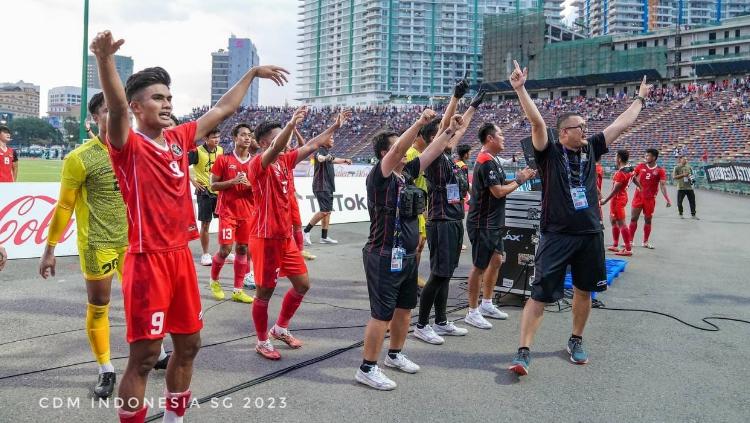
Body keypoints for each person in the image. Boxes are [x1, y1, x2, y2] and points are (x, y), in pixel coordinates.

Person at [91, 30, 288, 423]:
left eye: (168, 97)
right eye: (157, 98)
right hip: (147, 262)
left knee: (190, 345)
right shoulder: (127, 144)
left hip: (181, 259)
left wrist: (251, 73)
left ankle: (174, 417)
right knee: (145, 357)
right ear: (136, 107)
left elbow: (222, 109)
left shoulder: (179, 138)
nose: (166, 104)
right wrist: (104, 59)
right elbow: (114, 105)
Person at [507, 60, 652, 376]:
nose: (586, 130)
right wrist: (520, 89)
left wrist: (640, 98)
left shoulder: (592, 148)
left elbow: (621, 124)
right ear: (563, 133)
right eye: (580, 127)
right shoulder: (549, 152)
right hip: (556, 234)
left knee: (585, 290)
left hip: (589, 233)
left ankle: (575, 340)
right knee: (540, 294)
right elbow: (536, 124)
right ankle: (523, 350)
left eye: (587, 126)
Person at [39, 93, 169, 400]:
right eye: (108, 111)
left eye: (119, 111)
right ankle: (105, 369)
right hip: (97, 244)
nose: (115, 117)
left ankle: (160, 352)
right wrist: (50, 248)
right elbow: (63, 207)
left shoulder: (137, 149)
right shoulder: (80, 157)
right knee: (100, 306)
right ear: (95, 118)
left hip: (135, 242)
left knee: (146, 301)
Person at [356, 111, 468, 391]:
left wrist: (449, 132)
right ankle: (367, 368)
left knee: (405, 308)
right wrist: (418, 123)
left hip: (405, 256)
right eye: (399, 148)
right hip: (382, 254)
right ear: (385, 152)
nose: (406, 153)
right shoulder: (379, 176)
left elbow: (430, 153)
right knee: (381, 314)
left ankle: (394, 355)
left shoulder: (406, 175)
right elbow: (398, 149)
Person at [248, 108, 351, 361]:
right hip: (265, 238)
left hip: (284, 238)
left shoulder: (286, 160)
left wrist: (334, 126)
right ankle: (262, 341)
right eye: (280, 136)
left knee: (302, 285)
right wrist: (292, 123)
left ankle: (280, 328)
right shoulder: (258, 163)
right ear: (263, 143)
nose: (287, 140)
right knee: (264, 293)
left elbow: (315, 144)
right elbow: (275, 149)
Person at [414, 86, 489, 344]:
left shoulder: (447, 154)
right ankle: (422, 325)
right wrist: (455, 99)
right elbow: (448, 124)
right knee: (438, 273)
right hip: (441, 221)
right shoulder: (433, 155)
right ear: (434, 137)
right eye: (443, 131)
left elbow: (461, 127)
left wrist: (473, 106)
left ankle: (442, 320)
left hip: (455, 219)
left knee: (446, 273)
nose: (451, 131)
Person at [463, 122, 536, 330]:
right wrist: (520, 180)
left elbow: (501, 187)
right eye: (500, 135)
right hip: (482, 223)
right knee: (479, 266)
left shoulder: (492, 159)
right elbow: (498, 192)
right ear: (490, 139)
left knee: (496, 260)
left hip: (493, 222)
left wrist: (517, 179)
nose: (504, 138)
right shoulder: (486, 161)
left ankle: (486, 303)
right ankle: (472, 311)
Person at [207, 123, 257, 304]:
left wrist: (251, 185)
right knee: (226, 249)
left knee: (243, 248)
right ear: (235, 138)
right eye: (243, 135)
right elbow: (213, 185)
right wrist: (233, 181)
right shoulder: (224, 160)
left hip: (248, 213)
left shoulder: (255, 162)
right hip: (228, 212)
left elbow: (259, 188)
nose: (247, 138)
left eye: (249, 135)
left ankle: (238, 290)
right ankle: (214, 281)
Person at [302, 132, 352, 245]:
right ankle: (305, 231)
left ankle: (324, 237)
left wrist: (345, 160)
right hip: (321, 186)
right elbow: (319, 158)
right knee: (324, 211)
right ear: (324, 140)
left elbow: (334, 159)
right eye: (331, 138)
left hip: (328, 186)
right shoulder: (320, 150)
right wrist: (324, 158)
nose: (333, 140)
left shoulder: (327, 152)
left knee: (327, 212)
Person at [405, 119, 437, 289]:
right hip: (413, 208)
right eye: (426, 136)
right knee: (414, 244)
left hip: (421, 206)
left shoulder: (421, 155)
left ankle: (413, 278)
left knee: (420, 243)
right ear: (418, 137)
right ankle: (409, 280)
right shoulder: (410, 154)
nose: (429, 139)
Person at [188, 128, 224, 266]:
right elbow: (182, 165)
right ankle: (205, 253)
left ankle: (224, 250)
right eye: (214, 137)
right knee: (205, 224)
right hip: (204, 192)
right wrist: (193, 180)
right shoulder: (197, 152)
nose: (217, 140)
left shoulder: (220, 150)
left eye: (218, 137)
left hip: (219, 191)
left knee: (224, 222)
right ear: (205, 139)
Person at [629, 148, 672, 249]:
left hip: (650, 199)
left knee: (648, 220)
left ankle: (645, 242)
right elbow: (631, 177)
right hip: (638, 197)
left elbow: (662, 185)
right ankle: (630, 241)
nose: (646, 157)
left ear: (654, 157)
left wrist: (667, 199)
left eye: (648, 155)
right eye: (646, 155)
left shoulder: (660, 170)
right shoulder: (640, 166)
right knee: (633, 218)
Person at [600, 149, 634, 256]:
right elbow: (634, 177)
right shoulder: (630, 168)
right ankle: (615, 245)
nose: (615, 159)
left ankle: (628, 249)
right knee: (613, 220)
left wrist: (605, 200)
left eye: (615, 157)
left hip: (618, 199)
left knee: (621, 223)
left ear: (619, 159)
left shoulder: (620, 173)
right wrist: (640, 186)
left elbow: (615, 190)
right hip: (622, 197)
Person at [291, 127, 316, 261]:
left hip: (291, 195)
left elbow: (302, 144)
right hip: (277, 196)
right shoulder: (270, 156)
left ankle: (300, 250)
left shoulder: (289, 154)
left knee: (297, 224)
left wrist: (294, 129)